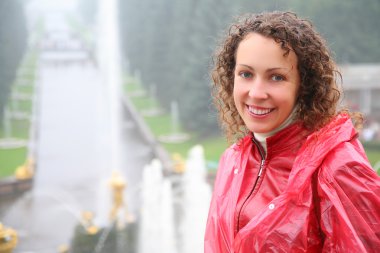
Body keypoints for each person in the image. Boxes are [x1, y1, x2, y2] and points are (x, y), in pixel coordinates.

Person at [204, 11, 380, 252]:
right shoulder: (234, 159)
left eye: (276, 77)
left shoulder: (337, 167)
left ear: (304, 86)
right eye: (246, 74)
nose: (256, 92)